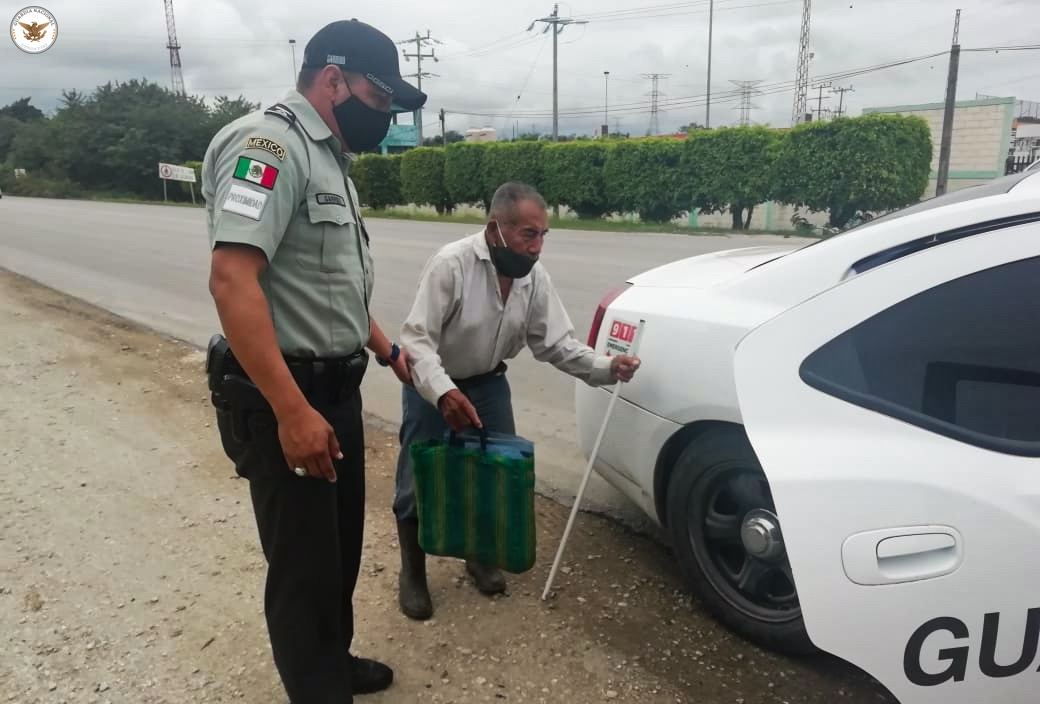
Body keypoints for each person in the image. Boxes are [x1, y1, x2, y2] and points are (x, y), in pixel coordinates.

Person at [201, 18, 425, 703]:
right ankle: (316, 687)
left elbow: (327, 287)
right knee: (302, 566)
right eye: (382, 99)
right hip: (285, 393)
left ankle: (332, 659)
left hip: (336, 391)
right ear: (334, 79)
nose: (385, 117)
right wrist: (291, 411)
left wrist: (386, 349)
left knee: (338, 552)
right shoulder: (267, 145)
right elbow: (232, 279)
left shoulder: (329, 160)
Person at [392, 181, 641, 620]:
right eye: (529, 234)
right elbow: (416, 342)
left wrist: (606, 368)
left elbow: (555, 343)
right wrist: (443, 392)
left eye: (543, 235)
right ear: (495, 231)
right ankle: (412, 573)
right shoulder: (451, 265)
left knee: (493, 473)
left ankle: (478, 556)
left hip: (489, 385)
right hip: (432, 385)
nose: (537, 247)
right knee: (420, 478)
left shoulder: (532, 278)